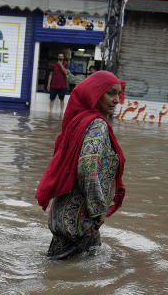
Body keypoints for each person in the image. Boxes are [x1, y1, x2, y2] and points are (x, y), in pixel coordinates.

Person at [35, 70, 127, 260]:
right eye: (110, 93)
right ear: (95, 95)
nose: (117, 99)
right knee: (75, 277)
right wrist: (98, 209)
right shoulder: (97, 126)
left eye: (118, 93)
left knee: (58, 272)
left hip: (64, 216)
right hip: (80, 222)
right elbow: (87, 168)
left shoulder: (79, 121)